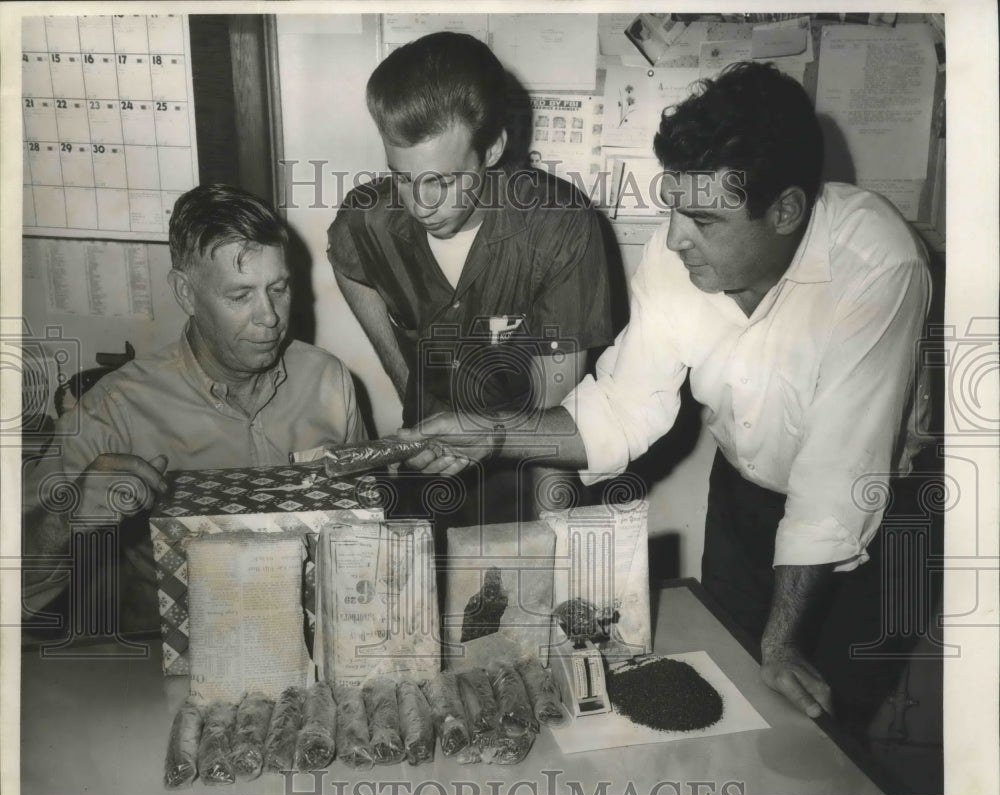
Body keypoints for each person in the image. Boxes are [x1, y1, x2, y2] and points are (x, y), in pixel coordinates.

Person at [404, 62, 932, 730]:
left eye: (706, 219)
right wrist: (495, 432)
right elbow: (622, 408)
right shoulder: (677, 252)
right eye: (675, 205)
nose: (676, 236)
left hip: (872, 519)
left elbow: (838, 476)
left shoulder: (878, 262)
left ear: (788, 210)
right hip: (743, 496)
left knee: (823, 727)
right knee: (734, 694)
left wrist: (782, 641)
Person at [22, 183, 365, 632]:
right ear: (185, 293)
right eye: (240, 296)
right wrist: (67, 518)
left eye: (278, 289)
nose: (270, 317)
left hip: (315, 647)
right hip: (181, 662)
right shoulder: (116, 408)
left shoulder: (329, 380)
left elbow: (363, 541)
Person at [326, 31, 613, 525]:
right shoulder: (366, 220)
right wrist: (407, 383)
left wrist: (550, 547)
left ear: (493, 149)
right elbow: (347, 259)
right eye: (402, 177)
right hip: (426, 459)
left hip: (529, 466)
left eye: (443, 180)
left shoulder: (562, 227)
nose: (420, 205)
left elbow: (553, 415)